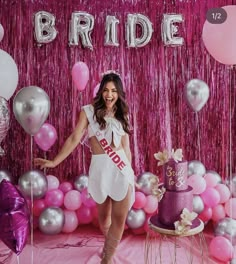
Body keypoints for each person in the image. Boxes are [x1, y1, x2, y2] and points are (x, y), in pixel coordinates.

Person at [34, 71, 135, 264]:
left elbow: (126, 148)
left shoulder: (124, 114)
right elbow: (74, 138)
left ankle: (107, 257)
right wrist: (55, 161)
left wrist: (130, 171)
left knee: (119, 220)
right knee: (104, 219)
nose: (109, 95)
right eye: (106, 90)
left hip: (121, 170)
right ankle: (109, 244)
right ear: (100, 91)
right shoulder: (88, 111)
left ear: (119, 93)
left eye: (114, 91)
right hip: (100, 170)